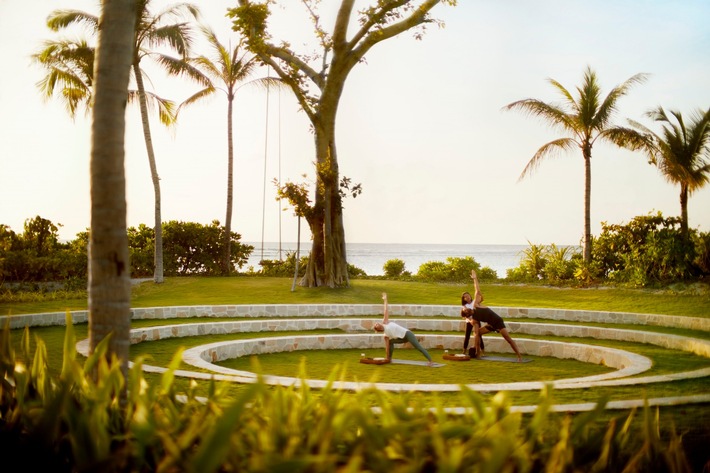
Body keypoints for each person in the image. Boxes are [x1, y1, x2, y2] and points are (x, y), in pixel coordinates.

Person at [464, 269, 523, 362]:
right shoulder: (474, 320)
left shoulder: (476, 305)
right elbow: (475, 334)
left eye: (467, 309)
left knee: (508, 339)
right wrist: (476, 349)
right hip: (491, 325)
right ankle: (478, 353)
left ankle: (519, 356)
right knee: (477, 333)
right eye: (467, 311)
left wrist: (475, 279)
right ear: (468, 314)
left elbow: (477, 290)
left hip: (497, 322)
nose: (468, 309)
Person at [373, 292, 435, 366]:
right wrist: (387, 357)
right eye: (376, 325)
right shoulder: (385, 335)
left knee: (418, 347)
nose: (377, 323)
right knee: (390, 342)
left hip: (408, 334)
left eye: (376, 323)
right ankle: (390, 358)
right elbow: (387, 347)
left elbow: (386, 310)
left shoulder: (385, 322)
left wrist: (385, 299)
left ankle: (430, 361)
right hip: (402, 339)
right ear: (378, 329)